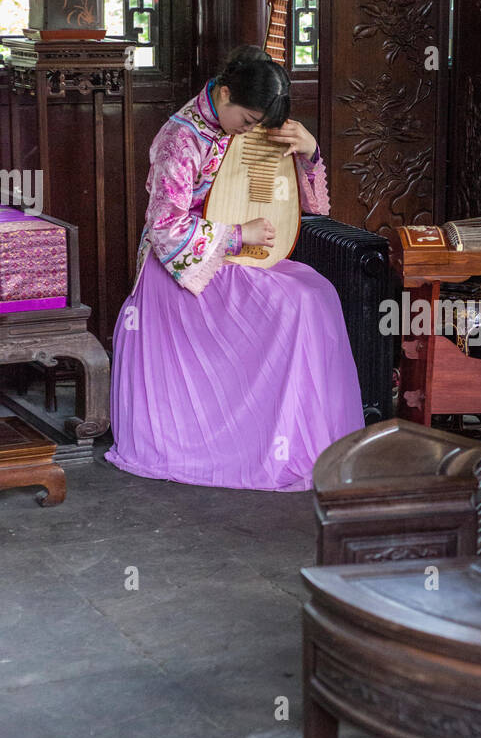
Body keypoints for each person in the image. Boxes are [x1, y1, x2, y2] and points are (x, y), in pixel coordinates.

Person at [105, 45, 364, 491]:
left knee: (317, 292)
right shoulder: (180, 138)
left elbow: (310, 209)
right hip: (183, 271)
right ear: (224, 93)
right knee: (294, 304)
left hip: (230, 257)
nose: (251, 130)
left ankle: (302, 440)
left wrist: (310, 152)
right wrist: (237, 234)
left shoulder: (246, 124)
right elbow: (165, 226)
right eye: (247, 121)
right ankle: (257, 443)